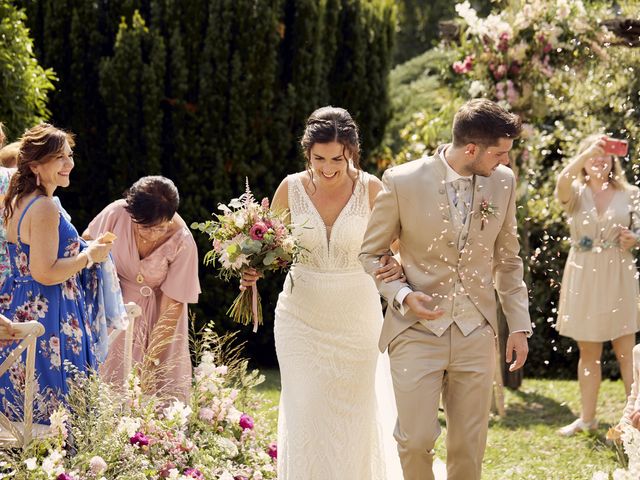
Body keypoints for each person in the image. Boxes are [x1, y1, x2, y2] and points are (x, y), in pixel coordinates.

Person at [360, 98, 531, 480]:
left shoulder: (502, 182)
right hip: (416, 333)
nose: (504, 162)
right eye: (499, 153)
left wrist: (517, 325)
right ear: (472, 149)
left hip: (476, 332)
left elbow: (508, 259)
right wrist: (402, 294)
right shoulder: (402, 181)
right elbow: (371, 253)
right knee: (416, 439)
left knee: (469, 447)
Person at [241, 106, 404, 479]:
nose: (328, 167)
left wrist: (396, 263)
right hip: (301, 317)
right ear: (307, 152)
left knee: (354, 412)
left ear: (351, 151)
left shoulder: (371, 188)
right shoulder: (291, 188)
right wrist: (252, 270)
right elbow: (270, 246)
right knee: (306, 410)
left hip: (357, 317)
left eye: (337, 159)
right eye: (319, 159)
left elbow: (396, 246)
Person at [0, 123, 115, 421]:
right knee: (56, 413)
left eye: (69, 155)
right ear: (36, 165)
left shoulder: (16, 200)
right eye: (60, 158)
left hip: (21, 305)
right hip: (49, 314)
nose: (69, 164)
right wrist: (90, 256)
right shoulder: (44, 207)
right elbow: (44, 272)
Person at [84, 176, 200, 402]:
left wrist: (150, 362)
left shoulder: (183, 242)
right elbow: (85, 243)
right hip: (113, 310)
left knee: (154, 395)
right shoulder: (117, 213)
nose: (152, 234)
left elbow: (172, 308)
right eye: (145, 227)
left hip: (160, 319)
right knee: (106, 385)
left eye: (160, 228)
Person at [555, 134, 640, 436]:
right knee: (588, 351)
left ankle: (635, 421)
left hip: (618, 272)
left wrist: (636, 239)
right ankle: (587, 419)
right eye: (593, 155)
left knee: (626, 352)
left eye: (605, 155)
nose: (599, 160)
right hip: (584, 274)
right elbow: (561, 181)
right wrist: (584, 154)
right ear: (584, 160)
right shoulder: (575, 193)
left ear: (614, 160)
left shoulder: (631, 193)